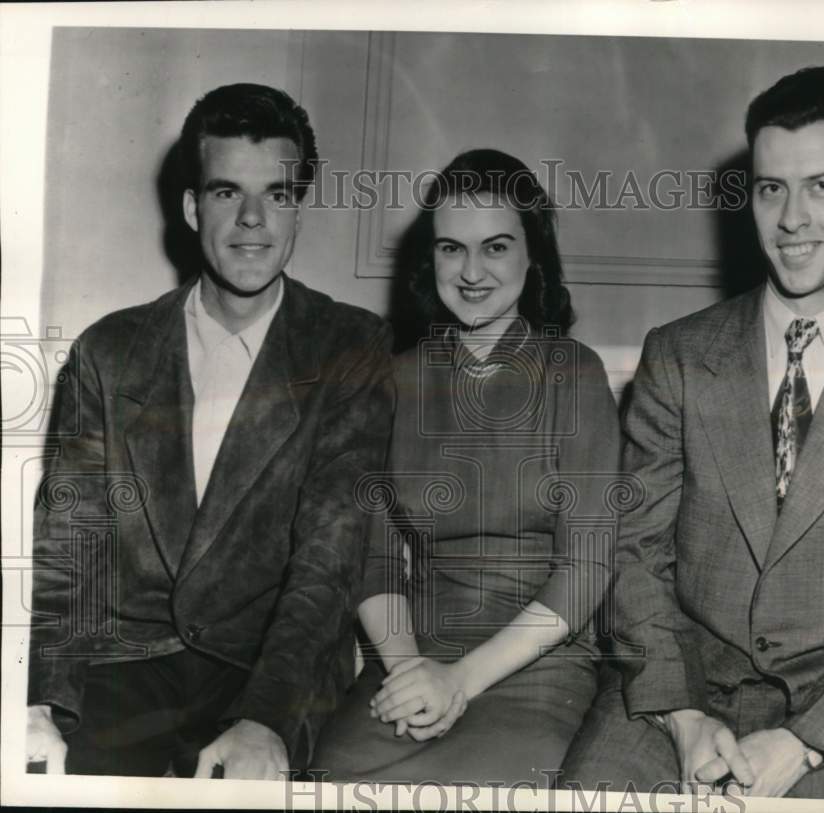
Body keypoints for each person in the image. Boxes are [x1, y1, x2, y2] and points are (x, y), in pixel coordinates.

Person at [561, 66, 824, 801]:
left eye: (822, 185)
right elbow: (633, 552)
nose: (792, 217)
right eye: (772, 188)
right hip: (673, 692)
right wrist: (682, 714)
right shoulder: (677, 353)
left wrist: (804, 744)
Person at [24, 83, 395, 779]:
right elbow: (72, 545)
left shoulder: (349, 345)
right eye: (227, 193)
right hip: (121, 669)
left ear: (297, 211)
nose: (253, 219)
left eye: (278, 195)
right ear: (194, 208)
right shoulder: (109, 348)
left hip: (262, 673)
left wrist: (267, 717)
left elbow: (330, 556)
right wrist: (42, 700)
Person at [311, 149, 622, 785]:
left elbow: (587, 568)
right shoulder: (393, 380)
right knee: (331, 782)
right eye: (452, 248)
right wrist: (410, 672)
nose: (472, 271)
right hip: (413, 658)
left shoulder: (575, 372)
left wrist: (461, 680)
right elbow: (370, 559)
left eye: (496, 247)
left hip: (537, 664)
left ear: (532, 255)